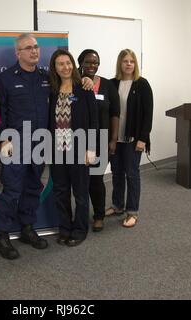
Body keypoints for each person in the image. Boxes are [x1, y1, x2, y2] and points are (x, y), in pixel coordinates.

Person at [0, 33, 50, 260]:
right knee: (12, 190)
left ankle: (27, 228)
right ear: (18, 53)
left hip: (40, 142)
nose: (34, 51)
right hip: (15, 143)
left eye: (36, 47)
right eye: (28, 48)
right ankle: (2, 236)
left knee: (33, 186)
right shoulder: (5, 79)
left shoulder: (46, 78)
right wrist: (3, 140)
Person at [49, 49, 98, 246]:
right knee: (60, 191)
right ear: (55, 67)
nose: (65, 67)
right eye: (60, 64)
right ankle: (65, 228)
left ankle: (79, 229)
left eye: (68, 63)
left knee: (80, 192)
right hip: (57, 150)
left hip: (79, 149)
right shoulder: (52, 89)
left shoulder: (84, 88)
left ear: (73, 64)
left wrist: (91, 148)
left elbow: (94, 120)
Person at [107, 49, 153, 228]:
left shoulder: (142, 84)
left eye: (131, 61)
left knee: (132, 174)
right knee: (117, 172)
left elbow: (148, 114)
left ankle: (132, 211)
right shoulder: (112, 83)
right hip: (115, 138)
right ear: (120, 63)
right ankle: (117, 205)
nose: (128, 64)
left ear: (135, 64)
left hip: (133, 138)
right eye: (125, 61)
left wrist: (143, 138)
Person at [77, 49, 120, 232]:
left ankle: (99, 216)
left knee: (95, 179)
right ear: (80, 63)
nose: (92, 66)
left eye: (95, 62)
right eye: (88, 62)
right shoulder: (74, 83)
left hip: (101, 141)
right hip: (78, 140)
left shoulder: (108, 85)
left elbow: (115, 113)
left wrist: (113, 140)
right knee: (80, 181)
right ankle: (79, 216)